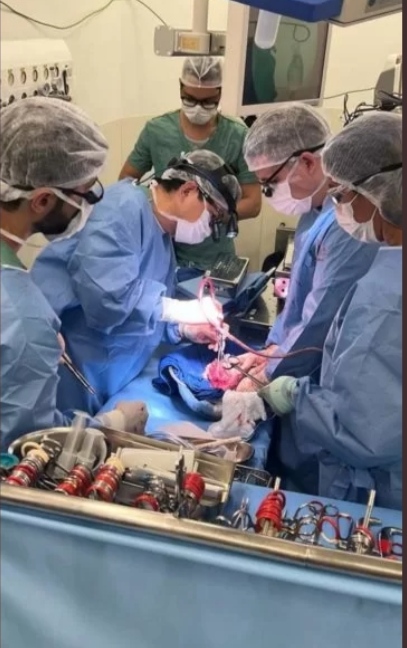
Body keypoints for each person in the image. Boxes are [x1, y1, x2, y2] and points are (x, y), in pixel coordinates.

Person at [218, 112, 402, 510]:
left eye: (343, 195)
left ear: (382, 194)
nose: (338, 204)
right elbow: (305, 308)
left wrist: (281, 388)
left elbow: (363, 429)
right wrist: (269, 355)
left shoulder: (386, 293)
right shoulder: (335, 230)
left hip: (379, 483)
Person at [31, 150, 241, 416]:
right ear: (188, 190)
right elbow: (107, 301)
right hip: (71, 368)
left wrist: (183, 329)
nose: (210, 228)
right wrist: (179, 309)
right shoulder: (120, 209)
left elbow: (141, 314)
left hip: (110, 374)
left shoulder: (161, 234)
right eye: (213, 216)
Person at [0, 97, 157, 447]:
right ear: (42, 200)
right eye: (85, 194)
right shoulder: (22, 318)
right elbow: (30, 450)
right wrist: (111, 425)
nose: (89, 206)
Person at [234, 103, 379, 390]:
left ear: (309, 162)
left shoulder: (349, 221)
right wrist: (273, 348)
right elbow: (298, 298)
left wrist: (269, 375)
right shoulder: (313, 210)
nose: (268, 194)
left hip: (338, 372)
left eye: (271, 183)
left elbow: (321, 315)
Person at [119, 56, 261, 279]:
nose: (198, 108)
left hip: (215, 257)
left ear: (221, 93)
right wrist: (159, 211)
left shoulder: (237, 135)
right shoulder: (157, 131)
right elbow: (126, 182)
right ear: (180, 87)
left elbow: (253, 203)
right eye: (190, 99)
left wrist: (211, 216)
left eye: (208, 102)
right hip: (165, 254)